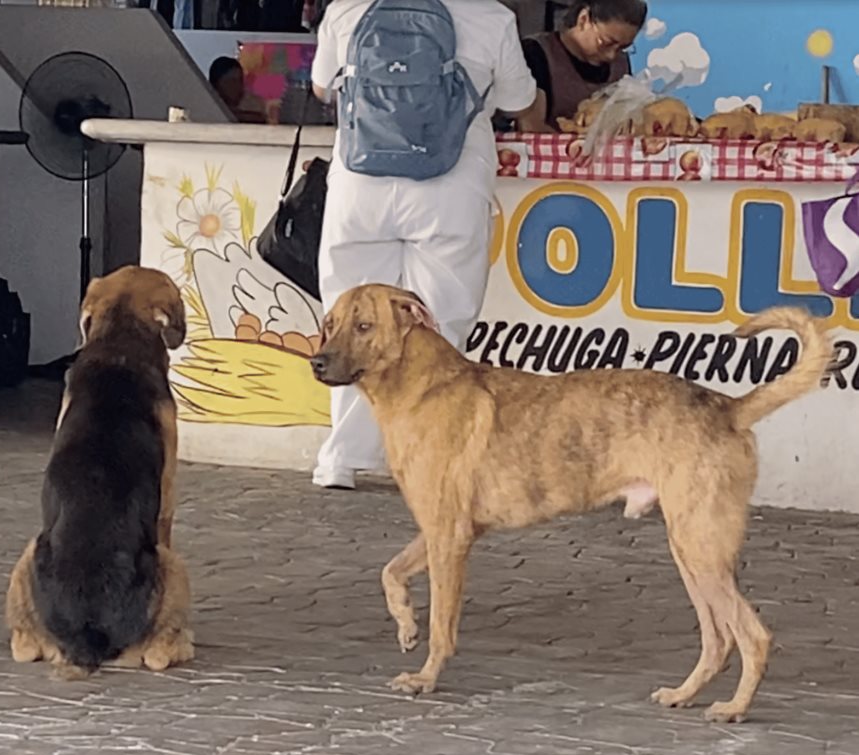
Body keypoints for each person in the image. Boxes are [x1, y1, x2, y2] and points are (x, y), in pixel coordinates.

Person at [309, 0, 540, 490]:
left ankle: (340, 460)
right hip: (451, 185)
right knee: (440, 321)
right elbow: (521, 100)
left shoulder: (348, 8)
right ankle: (424, 457)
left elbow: (321, 87)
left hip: (361, 184)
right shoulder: (491, 16)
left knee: (348, 320)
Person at [518, 0, 647, 132]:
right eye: (606, 43)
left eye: (623, 47)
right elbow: (531, 128)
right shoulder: (537, 53)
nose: (611, 55)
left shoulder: (621, 62)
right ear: (583, 19)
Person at [208, 56, 268, 124]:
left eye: (240, 80)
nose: (238, 85)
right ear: (216, 84)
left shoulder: (252, 102)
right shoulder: (206, 105)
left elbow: (259, 119)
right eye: (232, 81)